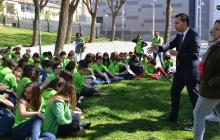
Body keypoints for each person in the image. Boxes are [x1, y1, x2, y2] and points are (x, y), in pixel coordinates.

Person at [148, 13, 201, 126]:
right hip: (180, 71)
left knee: (194, 97)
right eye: (174, 23)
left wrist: (178, 54)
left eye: (177, 23)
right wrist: (158, 47)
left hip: (191, 72)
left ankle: (197, 122)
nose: (174, 25)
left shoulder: (194, 35)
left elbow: (195, 55)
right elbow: (169, 45)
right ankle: (173, 117)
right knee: (174, 92)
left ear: (185, 23)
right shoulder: (179, 35)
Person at [193, 20, 220, 140]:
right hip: (210, 88)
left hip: (212, 90)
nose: (212, 31)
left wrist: (210, 82)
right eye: (213, 28)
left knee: (198, 113)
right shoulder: (214, 45)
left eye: (217, 29)